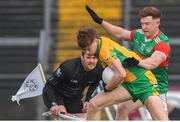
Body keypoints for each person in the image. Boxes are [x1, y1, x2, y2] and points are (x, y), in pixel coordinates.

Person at [86, 5, 171, 120]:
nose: (144, 27)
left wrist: (137, 62)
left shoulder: (162, 42)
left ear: (157, 22)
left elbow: (153, 62)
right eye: (142, 23)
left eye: (147, 24)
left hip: (156, 87)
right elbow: (120, 33)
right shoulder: (140, 34)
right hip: (136, 81)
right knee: (122, 109)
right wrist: (101, 21)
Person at [42, 51, 103, 117]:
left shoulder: (99, 70)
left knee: (85, 118)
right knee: (64, 117)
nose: (91, 61)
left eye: (94, 58)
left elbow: (94, 85)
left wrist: (88, 100)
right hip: (58, 96)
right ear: (82, 57)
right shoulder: (68, 67)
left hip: (75, 98)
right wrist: (53, 104)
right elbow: (49, 86)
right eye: (88, 57)